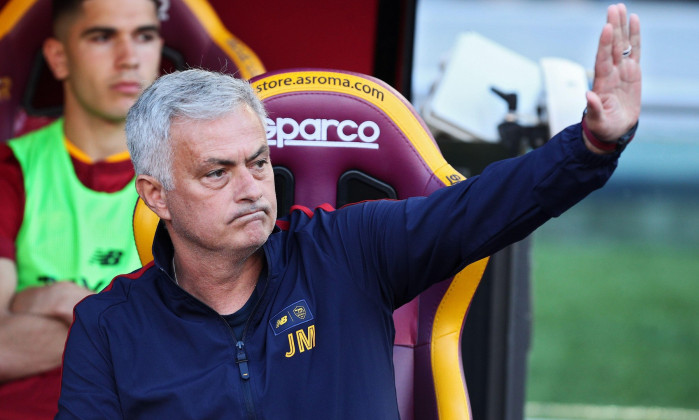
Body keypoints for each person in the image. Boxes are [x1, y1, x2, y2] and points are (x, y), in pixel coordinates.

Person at [56, 4, 641, 419]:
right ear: (156, 195)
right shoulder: (107, 328)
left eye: (258, 162)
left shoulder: (346, 252)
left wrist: (590, 145)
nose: (252, 187)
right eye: (218, 171)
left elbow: (480, 208)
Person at [0, 0, 162, 418]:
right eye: (102, 37)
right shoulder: (11, 171)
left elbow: (219, 341)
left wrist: (65, 302)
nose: (129, 59)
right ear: (58, 57)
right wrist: (136, 325)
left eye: (144, 36)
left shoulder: (200, 174)